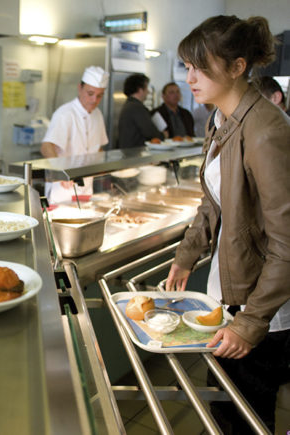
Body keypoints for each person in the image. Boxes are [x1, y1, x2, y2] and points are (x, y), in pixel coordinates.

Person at [165, 15, 290, 433]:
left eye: (200, 66)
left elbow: (287, 241)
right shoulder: (220, 118)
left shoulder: (266, 131)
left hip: (263, 309)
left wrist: (252, 321)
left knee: (244, 420)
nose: (190, 77)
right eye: (186, 66)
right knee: (222, 411)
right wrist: (186, 255)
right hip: (231, 296)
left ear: (238, 67)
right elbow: (213, 202)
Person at [40, 66, 109, 203]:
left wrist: (105, 169)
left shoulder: (97, 115)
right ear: (80, 88)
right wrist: (61, 173)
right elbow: (46, 147)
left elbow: (98, 149)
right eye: (90, 93)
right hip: (63, 190)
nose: (94, 99)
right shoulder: (65, 113)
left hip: (87, 188)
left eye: (99, 95)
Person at [117, 73, 165, 148]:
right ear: (140, 90)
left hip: (129, 153)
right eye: (146, 88)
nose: (148, 92)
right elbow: (150, 132)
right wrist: (163, 135)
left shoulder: (130, 105)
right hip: (134, 154)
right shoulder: (136, 107)